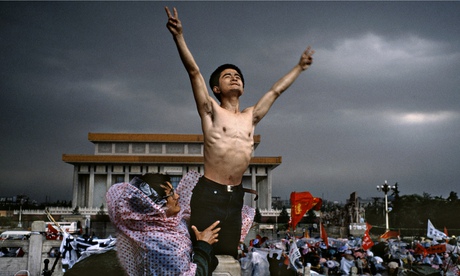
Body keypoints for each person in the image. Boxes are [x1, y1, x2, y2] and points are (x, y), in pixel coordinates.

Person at [165, 6, 314, 259]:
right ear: (216, 88)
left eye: (238, 76)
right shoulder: (210, 111)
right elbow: (194, 72)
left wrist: (299, 67)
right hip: (209, 193)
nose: (234, 78)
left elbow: (276, 91)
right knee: (201, 254)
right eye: (227, 76)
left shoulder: (250, 117)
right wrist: (179, 36)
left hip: (235, 198)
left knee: (229, 258)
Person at [106, 173, 220, 276]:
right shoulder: (160, 242)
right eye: (170, 194)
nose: (177, 196)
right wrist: (203, 246)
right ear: (154, 206)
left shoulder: (150, 227)